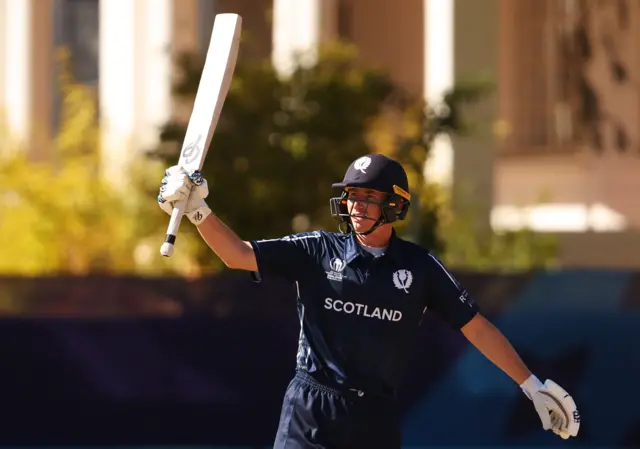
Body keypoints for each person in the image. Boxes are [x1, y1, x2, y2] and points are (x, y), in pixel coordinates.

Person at [157, 153, 580, 449]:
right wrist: (199, 211)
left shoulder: (419, 267)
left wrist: (530, 384)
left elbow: (476, 326)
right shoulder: (317, 251)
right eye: (352, 196)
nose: (356, 206)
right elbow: (238, 255)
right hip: (312, 408)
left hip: (372, 417)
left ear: (395, 205)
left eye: (369, 197)